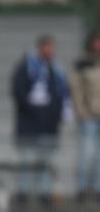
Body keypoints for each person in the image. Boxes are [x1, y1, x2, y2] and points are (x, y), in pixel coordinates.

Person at [11, 35, 68, 203]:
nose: (49, 51)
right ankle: (22, 193)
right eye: (46, 47)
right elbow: (18, 92)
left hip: (48, 125)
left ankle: (45, 193)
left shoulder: (56, 70)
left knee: (46, 162)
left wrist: (54, 113)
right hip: (29, 124)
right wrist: (33, 106)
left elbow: (61, 96)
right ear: (40, 48)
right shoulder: (26, 67)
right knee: (27, 161)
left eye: (52, 47)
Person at [69, 29, 100, 202]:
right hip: (89, 116)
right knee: (86, 154)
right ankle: (81, 189)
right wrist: (80, 110)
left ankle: (97, 189)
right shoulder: (83, 63)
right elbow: (76, 89)